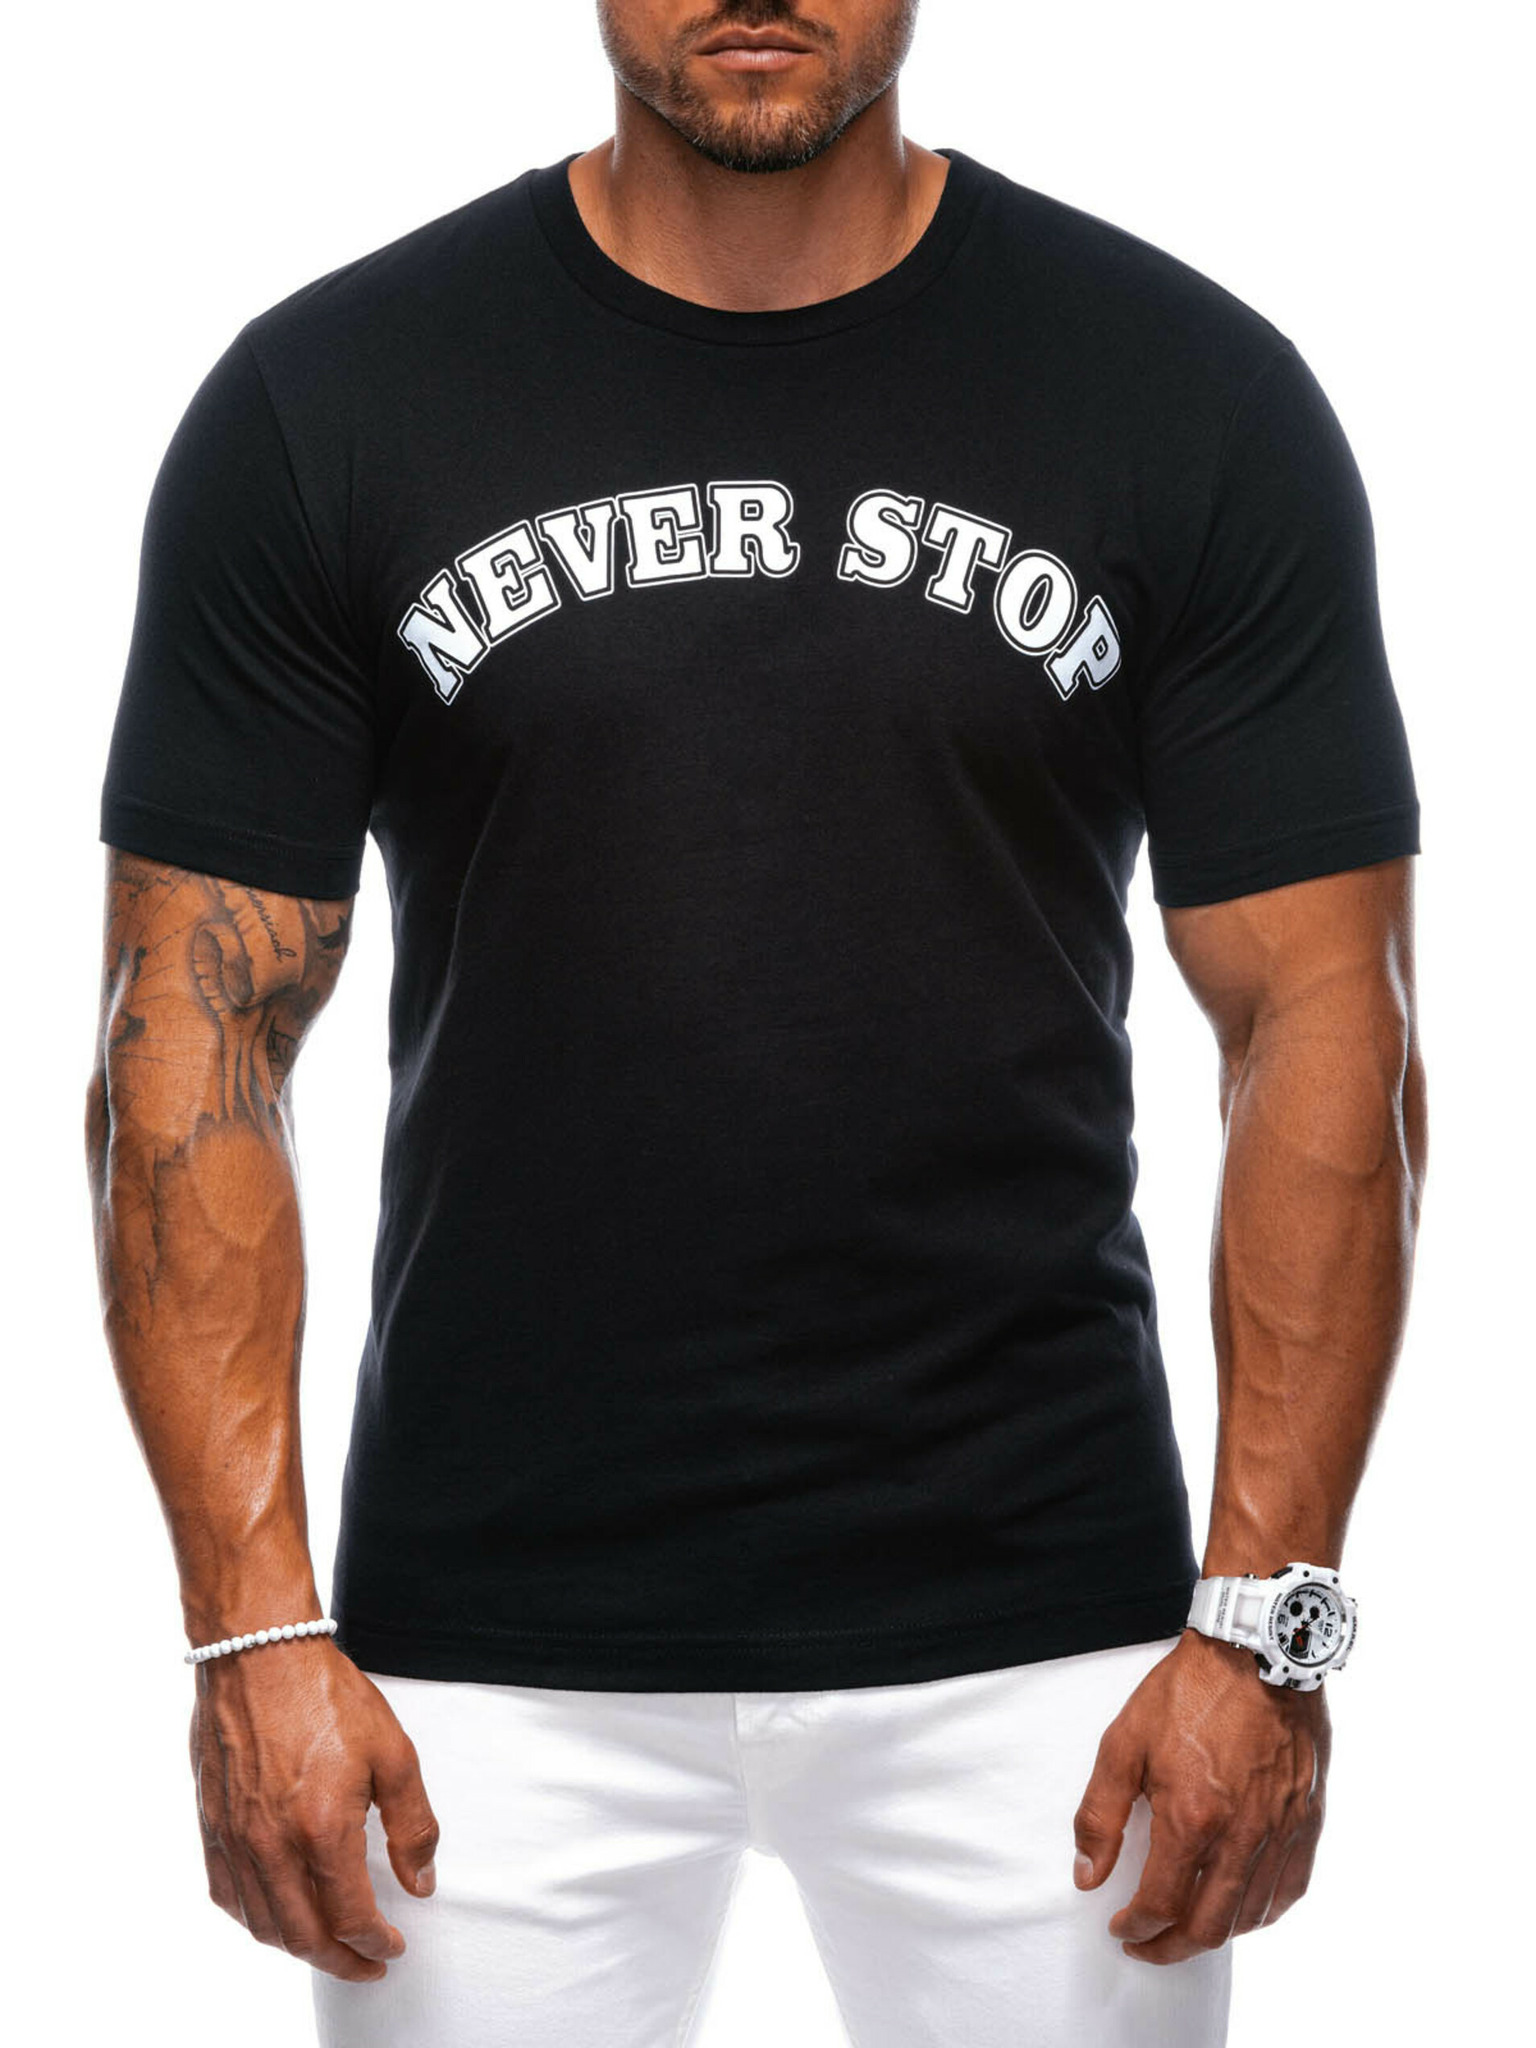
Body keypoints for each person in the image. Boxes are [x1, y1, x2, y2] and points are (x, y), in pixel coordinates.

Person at [86, 4, 1426, 2044]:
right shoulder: (330, 397)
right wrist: (249, 1629)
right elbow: (192, 1034)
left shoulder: (1186, 391)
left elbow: (1327, 1017)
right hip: (483, 1655)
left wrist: (1264, 1630)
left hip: (1047, 1642)